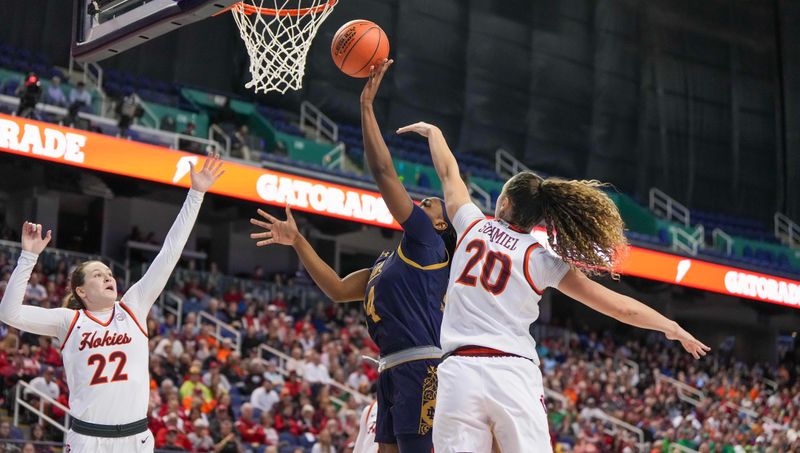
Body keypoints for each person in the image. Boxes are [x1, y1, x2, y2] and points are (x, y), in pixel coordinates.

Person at [395, 120, 711, 453]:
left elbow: (449, 174)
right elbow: (618, 306)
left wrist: (435, 134)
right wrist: (670, 326)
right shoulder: (542, 261)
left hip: (459, 371)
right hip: (512, 373)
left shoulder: (472, 224)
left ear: (503, 204)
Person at [250, 60, 456, 453]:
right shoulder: (388, 261)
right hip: (392, 368)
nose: (422, 203)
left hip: (421, 366)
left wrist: (365, 106)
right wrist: (298, 241)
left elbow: (382, 171)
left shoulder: (428, 244)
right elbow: (336, 289)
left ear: (441, 226)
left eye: (430, 203)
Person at [0, 155, 225, 453]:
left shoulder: (134, 306)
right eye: (98, 274)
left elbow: (170, 253)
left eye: (109, 273)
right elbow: (9, 313)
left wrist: (196, 195)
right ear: (81, 291)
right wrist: (28, 257)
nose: (108, 277)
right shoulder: (68, 321)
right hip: (88, 439)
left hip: (135, 438)